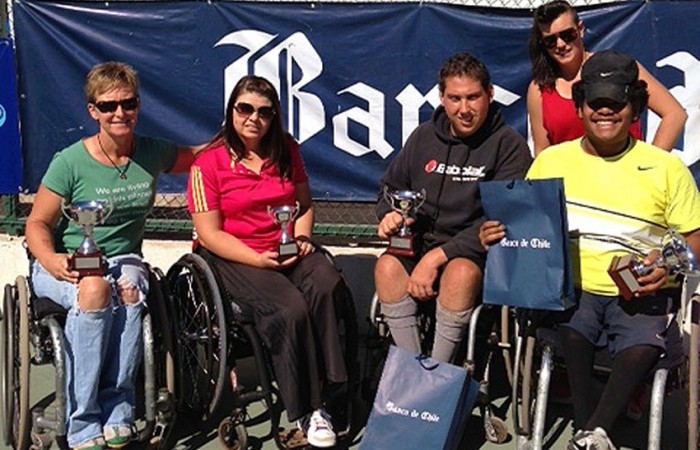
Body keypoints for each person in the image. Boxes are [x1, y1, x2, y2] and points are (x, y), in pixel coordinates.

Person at [481, 50, 700, 450]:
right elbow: (523, 230)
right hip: (572, 286)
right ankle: (594, 432)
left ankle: (591, 431)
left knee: (642, 342)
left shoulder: (667, 168)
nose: (604, 112)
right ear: (579, 107)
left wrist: (665, 266)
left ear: (634, 108)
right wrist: (495, 235)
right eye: (594, 103)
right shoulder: (550, 161)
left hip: (640, 291)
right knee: (572, 331)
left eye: (615, 103)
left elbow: (696, 237)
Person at [25, 62, 200, 450]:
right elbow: (36, 222)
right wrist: (52, 260)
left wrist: (244, 136)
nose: (119, 113)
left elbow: (200, 157)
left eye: (128, 103)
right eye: (108, 106)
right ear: (93, 111)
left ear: (138, 106)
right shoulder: (69, 161)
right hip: (65, 262)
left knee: (131, 289)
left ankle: (118, 409)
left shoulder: (151, 152)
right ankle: (82, 421)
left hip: (124, 259)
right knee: (94, 291)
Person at [186, 75, 348, 448]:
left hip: (287, 248)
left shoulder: (286, 150)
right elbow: (209, 234)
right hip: (233, 256)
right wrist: (257, 259)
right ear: (231, 111)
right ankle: (308, 409)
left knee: (326, 280)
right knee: (288, 307)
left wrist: (303, 238)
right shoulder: (207, 163)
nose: (253, 118)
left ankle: (335, 385)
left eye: (264, 112)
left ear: (274, 117)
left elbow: (304, 206)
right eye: (244, 109)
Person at [374, 52, 532, 364]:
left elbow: (501, 221)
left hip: (474, 255)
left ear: (489, 94)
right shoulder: (423, 137)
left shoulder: (509, 145)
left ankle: (439, 375)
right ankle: (411, 369)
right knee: (387, 267)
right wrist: (390, 215)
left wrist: (436, 258)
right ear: (441, 98)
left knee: (459, 273)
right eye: (455, 98)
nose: (464, 109)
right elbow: (390, 189)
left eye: (473, 97)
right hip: (419, 245)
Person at [527, 0, 687, 156]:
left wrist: (651, 166)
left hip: (624, 179)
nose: (560, 44)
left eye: (568, 35)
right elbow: (543, 153)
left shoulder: (619, 68)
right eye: (550, 41)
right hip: (572, 181)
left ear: (580, 29)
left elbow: (675, 114)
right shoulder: (539, 89)